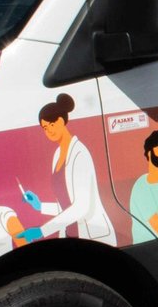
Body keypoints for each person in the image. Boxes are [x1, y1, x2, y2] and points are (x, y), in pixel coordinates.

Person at [19, 93, 116, 246]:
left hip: (94, 237)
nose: (49, 131)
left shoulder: (79, 153)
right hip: (70, 234)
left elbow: (81, 206)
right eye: (45, 128)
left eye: (51, 125)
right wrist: (40, 206)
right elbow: (66, 206)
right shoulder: (57, 155)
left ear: (61, 121)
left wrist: (42, 231)